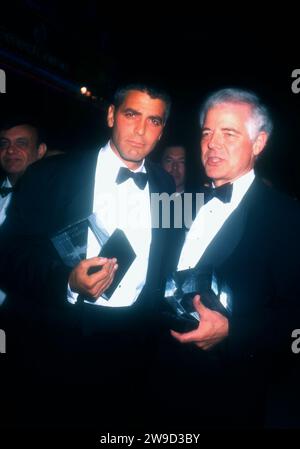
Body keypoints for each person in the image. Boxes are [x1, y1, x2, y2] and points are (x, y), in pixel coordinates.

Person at [0, 83, 175, 429]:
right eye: (131, 115)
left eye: (153, 121)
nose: (141, 130)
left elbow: (171, 257)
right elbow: (9, 256)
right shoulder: (50, 175)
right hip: (60, 340)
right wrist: (65, 280)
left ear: (162, 131)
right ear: (111, 115)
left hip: (134, 346)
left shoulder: (166, 185)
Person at [156, 88, 300, 429]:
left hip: (227, 391)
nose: (212, 144)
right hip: (159, 374)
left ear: (259, 143)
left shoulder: (287, 216)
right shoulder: (181, 202)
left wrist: (234, 330)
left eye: (229, 133)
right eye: (207, 132)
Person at [0, 119, 47, 226]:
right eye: (4, 143)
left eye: (21, 143)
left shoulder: (50, 198)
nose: (10, 150)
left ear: (40, 151)